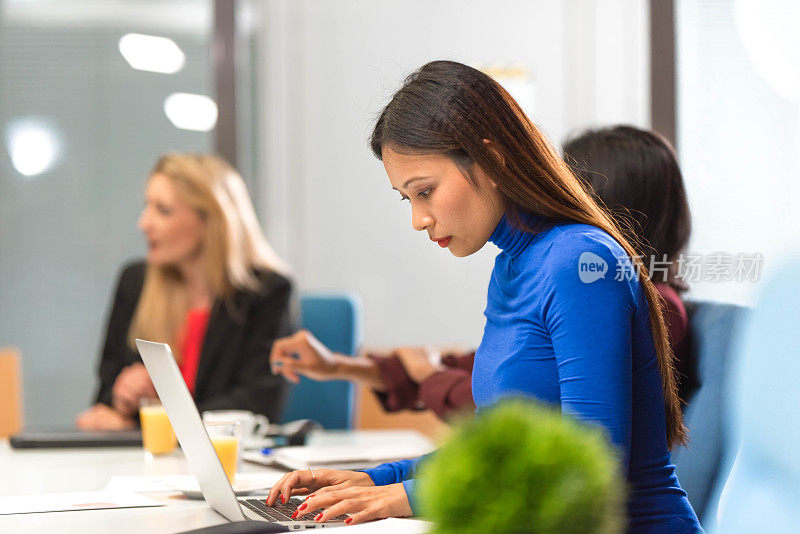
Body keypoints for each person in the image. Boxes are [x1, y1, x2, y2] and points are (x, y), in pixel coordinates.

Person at [266, 60, 701, 532]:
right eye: (407, 198)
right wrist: (375, 480)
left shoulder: (577, 262)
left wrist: (408, 497)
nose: (418, 219)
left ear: (492, 160)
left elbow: (590, 468)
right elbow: (497, 457)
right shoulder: (512, 266)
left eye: (425, 191)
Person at [273, 125, 696, 418]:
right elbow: (493, 373)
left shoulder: (628, 294)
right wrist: (346, 367)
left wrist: (432, 378)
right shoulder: (524, 266)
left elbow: (519, 417)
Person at [76, 153, 294, 430]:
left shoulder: (267, 292)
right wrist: (123, 397)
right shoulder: (135, 282)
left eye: (163, 210)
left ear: (211, 220)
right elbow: (104, 394)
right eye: (147, 207)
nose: (144, 223)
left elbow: (257, 404)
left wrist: (151, 425)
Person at [563, 125, 695, 403]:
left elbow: (549, 391)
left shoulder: (657, 308)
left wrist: (447, 383)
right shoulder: (596, 288)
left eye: (568, 195)